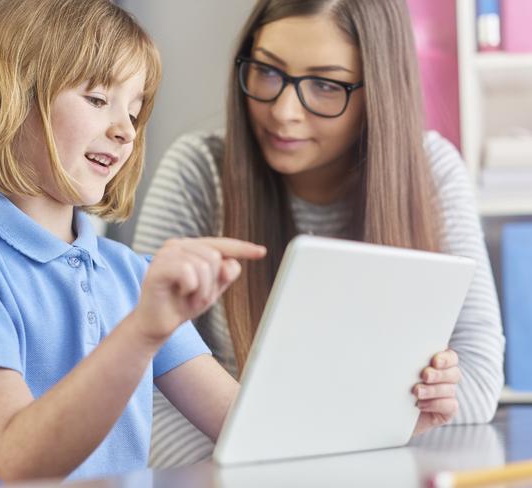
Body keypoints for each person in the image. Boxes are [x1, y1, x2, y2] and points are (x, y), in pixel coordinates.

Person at [0, 1, 267, 486]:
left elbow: (250, 430)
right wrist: (141, 332)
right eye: (97, 99)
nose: (125, 130)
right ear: (12, 96)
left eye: (134, 111)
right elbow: (18, 458)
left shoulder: (133, 275)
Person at [133, 0, 505, 467]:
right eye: (267, 72)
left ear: (380, 91)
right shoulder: (199, 170)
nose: (284, 112)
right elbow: (141, 378)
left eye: (326, 85)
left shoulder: (431, 170)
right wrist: (252, 470)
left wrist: (433, 396)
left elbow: (479, 377)